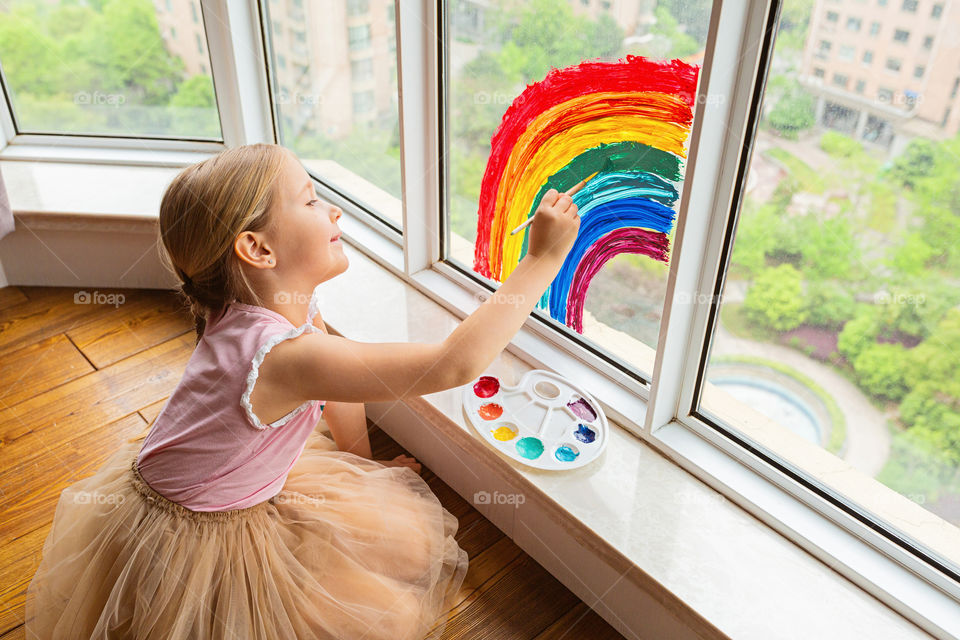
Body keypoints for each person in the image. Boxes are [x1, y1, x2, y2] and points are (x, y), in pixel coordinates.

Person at [23, 142, 581, 639]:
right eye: (311, 201)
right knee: (371, 610)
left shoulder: (266, 310)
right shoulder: (287, 358)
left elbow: (336, 390)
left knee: (394, 537)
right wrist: (543, 259)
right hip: (197, 534)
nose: (333, 210)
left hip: (221, 486)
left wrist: (366, 468)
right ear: (258, 250)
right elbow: (455, 365)